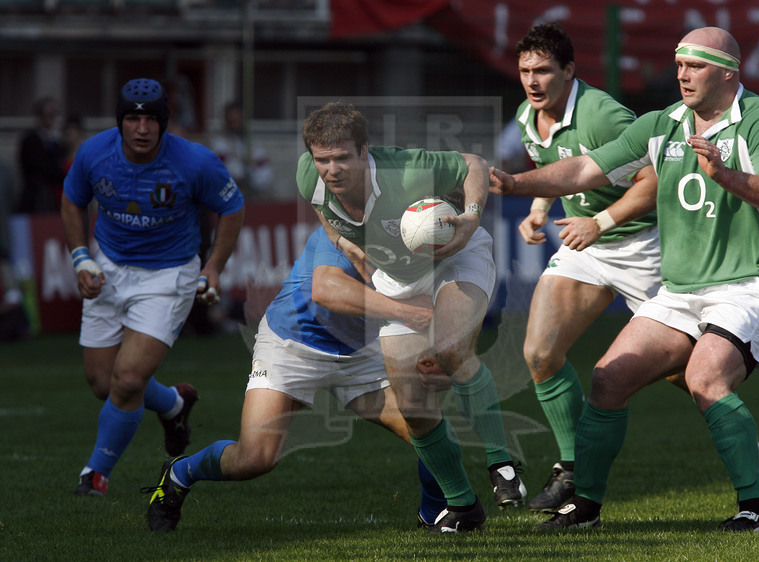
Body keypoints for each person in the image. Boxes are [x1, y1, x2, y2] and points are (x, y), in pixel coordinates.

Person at [493, 27, 759, 532]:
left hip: (749, 284)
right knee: (608, 379)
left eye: (695, 65)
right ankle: (584, 506)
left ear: (728, 71)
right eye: (678, 64)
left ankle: (757, 510)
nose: (682, 74)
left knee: (704, 378)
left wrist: (726, 176)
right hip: (681, 290)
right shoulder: (663, 123)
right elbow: (584, 170)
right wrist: (513, 184)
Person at [297, 102, 526, 533]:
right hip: (397, 278)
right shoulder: (308, 175)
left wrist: (470, 220)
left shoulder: (406, 170)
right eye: (322, 159)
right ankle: (462, 506)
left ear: (365, 151)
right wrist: (352, 252)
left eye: (343, 157)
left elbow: (473, 164)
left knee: (451, 347)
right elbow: (327, 216)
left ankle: (502, 464)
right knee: (413, 403)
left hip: (455, 259)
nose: (332, 169)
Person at [143, 226, 453, 531]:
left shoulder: (428, 243)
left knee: (429, 430)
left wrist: (440, 356)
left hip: (361, 348)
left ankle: (433, 516)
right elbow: (326, 290)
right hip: (292, 342)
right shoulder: (348, 224)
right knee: (255, 458)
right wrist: (405, 312)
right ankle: (179, 473)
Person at [498, 22, 663, 512]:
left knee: (690, 376)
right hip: (585, 247)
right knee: (540, 354)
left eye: (544, 70)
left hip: (643, 244)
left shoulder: (605, 115)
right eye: (525, 70)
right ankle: (572, 469)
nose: (532, 80)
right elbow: (558, 169)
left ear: (569, 70)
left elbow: (655, 177)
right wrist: (539, 210)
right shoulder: (529, 114)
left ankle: (745, 449)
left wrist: (602, 220)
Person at [61, 78, 244, 497]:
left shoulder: (195, 161)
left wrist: (213, 267)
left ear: (164, 124)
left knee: (127, 380)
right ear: (119, 123)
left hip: (169, 275)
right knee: (102, 384)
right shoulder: (93, 153)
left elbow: (232, 206)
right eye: (132, 119)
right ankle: (173, 405)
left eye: (150, 120)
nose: (141, 128)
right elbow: (73, 199)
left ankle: (95, 475)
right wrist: (80, 257)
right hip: (107, 266)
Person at [210, 100, 274, 199]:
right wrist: (248, 163)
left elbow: (264, 169)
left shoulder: (252, 141)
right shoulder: (219, 141)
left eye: (237, 118)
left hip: (254, 193)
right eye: (231, 119)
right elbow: (231, 169)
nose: (234, 122)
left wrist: (248, 164)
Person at [16, 96, 66, 213]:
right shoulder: (30, 141)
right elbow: (35, 166)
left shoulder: (58, 142)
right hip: (35, 196)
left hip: (54, 195)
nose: (50, 118)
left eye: (53, 114)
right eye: (47, 114)